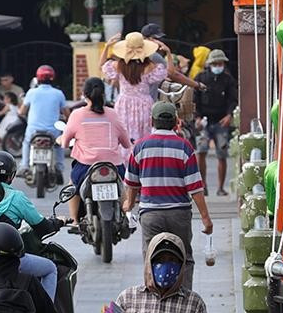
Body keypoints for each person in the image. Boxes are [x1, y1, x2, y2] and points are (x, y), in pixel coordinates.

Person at [123, 100, 212, 291]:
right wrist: (206, 218)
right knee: (184, 257)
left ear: (152, 121)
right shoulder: (184, 147)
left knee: (150, 256)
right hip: (179, 214)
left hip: (150, 215)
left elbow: (132, 183)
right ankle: (185, 298)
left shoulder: (139, 147)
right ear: (176, 122)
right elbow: (195, 187)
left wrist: (129, 204)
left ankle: (153, 296)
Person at [0, 150, 60, 302]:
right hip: (12, 262)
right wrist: (58, 222)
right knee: (50, 269)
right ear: (11, 176)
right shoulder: (17, 198)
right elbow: (43, 227)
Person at [59, 77, 131, 224]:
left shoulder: (77, 114)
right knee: (122, 187)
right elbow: (126, 143)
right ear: (103, 94)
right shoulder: (113, 114)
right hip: (114, 166)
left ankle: (74, 220)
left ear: (84, 94)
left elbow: (65, 143)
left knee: (72, 185)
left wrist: (61, 140)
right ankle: (128, 217)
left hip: (86, 166)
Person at [193, 49, 237, 197]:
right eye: (215, 63)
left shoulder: (228, 80)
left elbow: (233, 99)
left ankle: (220, 187)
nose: (218, 66)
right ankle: (202, 185)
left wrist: (229, 115)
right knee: (201, 152)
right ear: (210, 64)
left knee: (222, 154)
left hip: (221, 121)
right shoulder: (200, 78)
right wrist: (197, 117)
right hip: (204, 120)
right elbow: (194, 100)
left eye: (220, 63)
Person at [22, 64, 71, 179]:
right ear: (52, 78)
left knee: (26, 143)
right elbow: (67, 113)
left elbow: (22, 111)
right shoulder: (58, 93)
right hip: (52, 132)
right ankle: (59, 167)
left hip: (33, 131)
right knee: (59, 145)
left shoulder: (31, 92)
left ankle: (24, 165)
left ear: (37, 78)